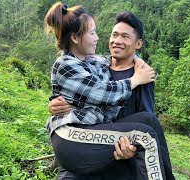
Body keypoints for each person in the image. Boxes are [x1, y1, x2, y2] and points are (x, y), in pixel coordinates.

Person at [44, 2, 167, 180]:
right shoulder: (71, 65)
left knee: (149, 123)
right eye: (114, 35)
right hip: (78, 140)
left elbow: (145, 115)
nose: (115, 41)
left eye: (125, 37)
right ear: (75, 38)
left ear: (138, 43)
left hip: (109, 147)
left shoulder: (96, 63)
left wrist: (137, 63)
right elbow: (100, 92)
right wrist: (135, 80)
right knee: (145, 136)